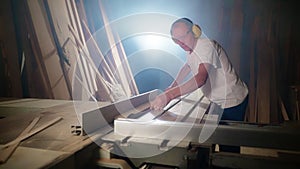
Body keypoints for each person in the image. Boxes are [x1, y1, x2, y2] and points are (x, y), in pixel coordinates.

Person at [150, 18, 249, 152]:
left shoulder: (206, 45)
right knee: (216, 138)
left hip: (232, 100)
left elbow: (201, 78)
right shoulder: (189, 47)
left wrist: (169, 95)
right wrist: (172, 86)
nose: (180, 42)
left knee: (228, 145)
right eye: (176, 39)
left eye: (182, 37)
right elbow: (187, 66)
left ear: (194, 31)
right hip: (218, 100)